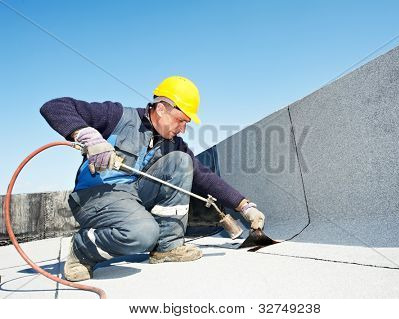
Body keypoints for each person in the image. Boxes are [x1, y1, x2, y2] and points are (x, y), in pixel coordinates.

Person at [40, 76, 265, 282]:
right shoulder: (117, 116)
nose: (183, 129)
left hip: (132, 195)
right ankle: (82, 249)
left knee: (181, 161)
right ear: (161, 109)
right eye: (181, 121)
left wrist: (244, 206)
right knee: (143, 234)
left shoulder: (172, 143)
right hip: (97, 195)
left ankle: (167, 247)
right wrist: (87, 136)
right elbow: (54, 107)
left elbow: (204, 177)